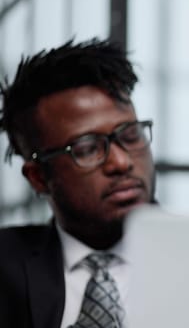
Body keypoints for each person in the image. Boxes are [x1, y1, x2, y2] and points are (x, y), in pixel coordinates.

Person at [0, 39, 156, 328]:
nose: (121, 163)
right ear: (38, 177)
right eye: (87, 148)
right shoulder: (5, 265)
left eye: (131, 134)